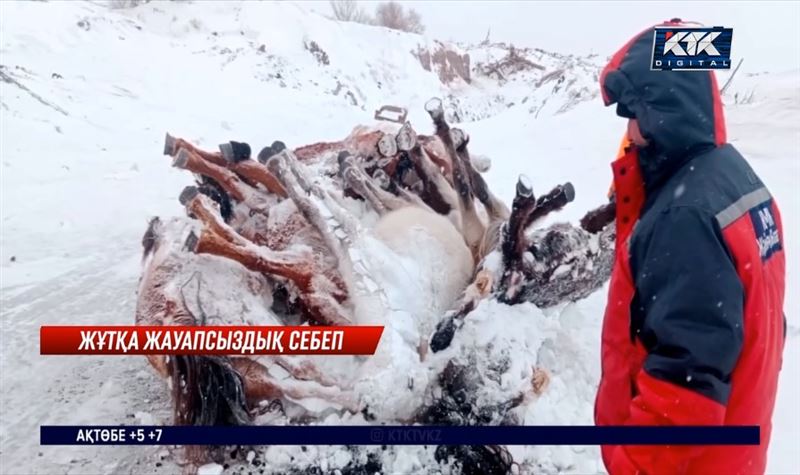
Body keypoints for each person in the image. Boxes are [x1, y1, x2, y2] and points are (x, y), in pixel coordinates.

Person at [595, 19, 786, 474]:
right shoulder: (732, 177)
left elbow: (685, 383)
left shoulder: (686, 218)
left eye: (633, 110)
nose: (630, 129)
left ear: (663, 108)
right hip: (730, 449)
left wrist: (632, 465)